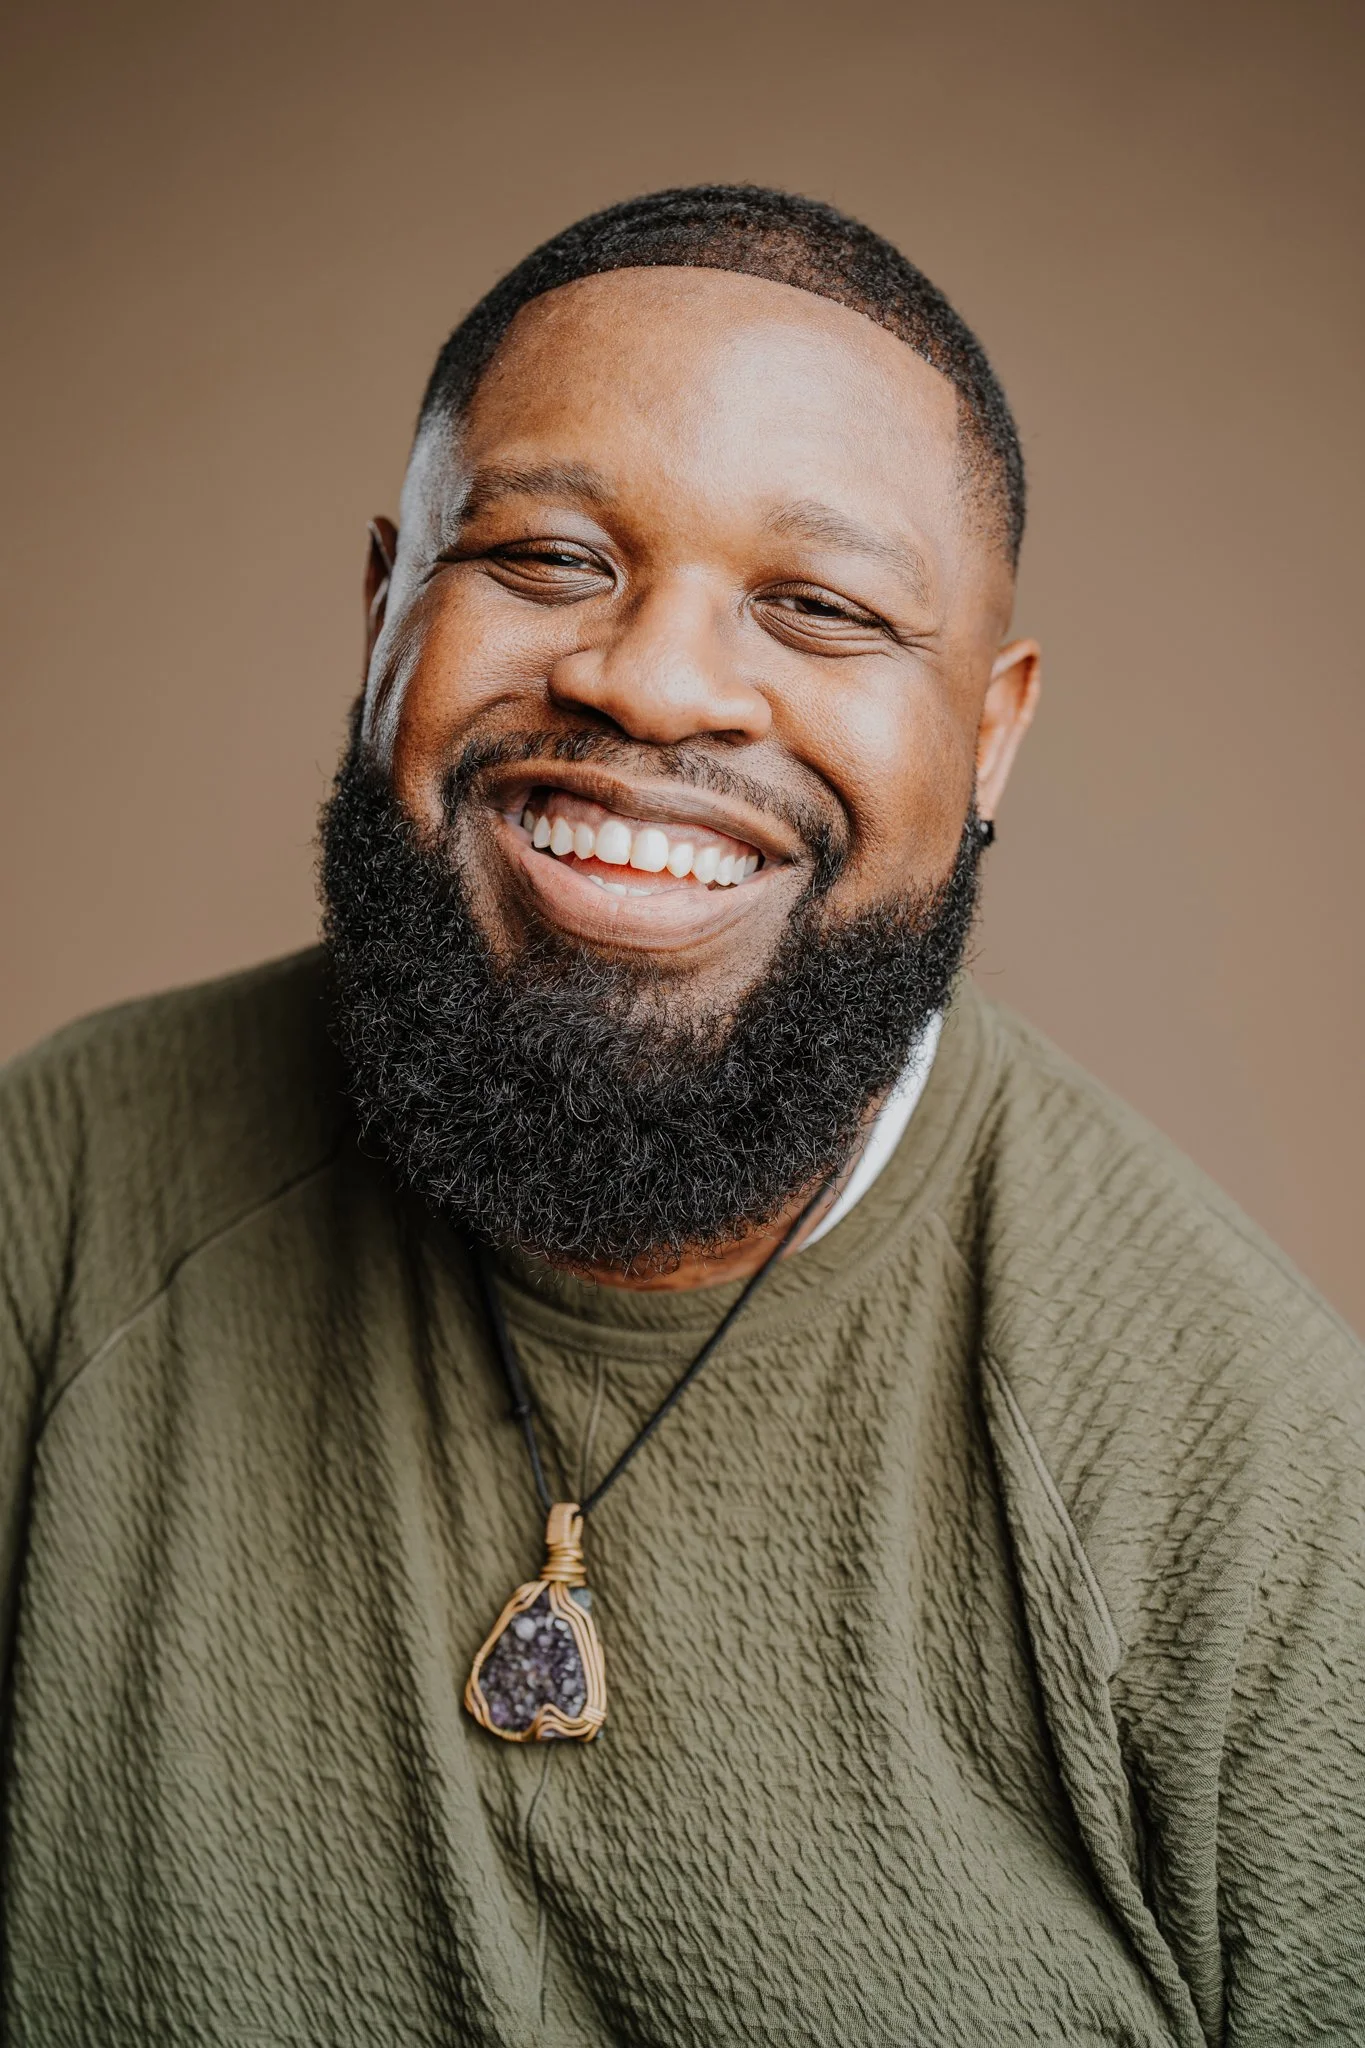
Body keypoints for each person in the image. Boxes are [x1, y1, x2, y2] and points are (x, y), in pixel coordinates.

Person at [1, 185, 1360, 2047]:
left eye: (818, 606)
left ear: (991, 739)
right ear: (384, 606)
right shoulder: (55, 1203)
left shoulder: (1257, 1484)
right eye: (548, 559)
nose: (648, 678)